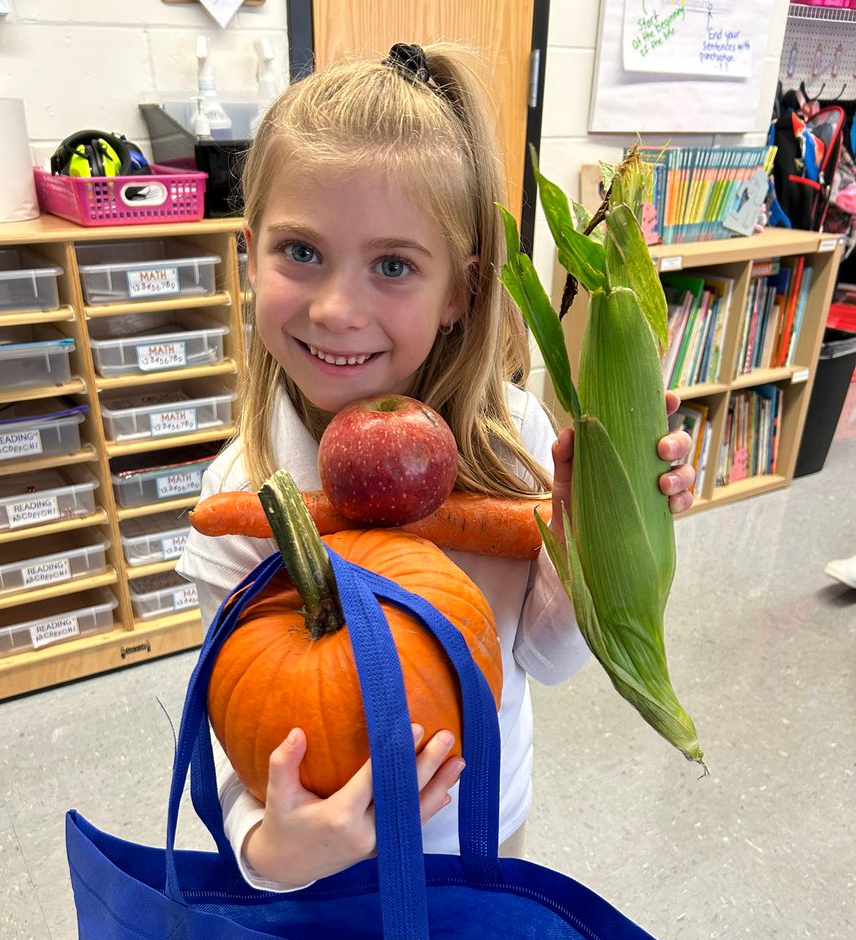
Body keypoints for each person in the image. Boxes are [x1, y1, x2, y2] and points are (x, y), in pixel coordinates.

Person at [178, 42, 695, 890]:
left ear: (459, 288)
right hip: (331, 875)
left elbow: (549, 661)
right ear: (249, 252)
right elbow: (241, 721)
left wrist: (597, 536)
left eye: (393, 266)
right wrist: (271, 852)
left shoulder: (513, 438)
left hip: (486, 837)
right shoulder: (245, 492)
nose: (338, 309)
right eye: (299, 252)